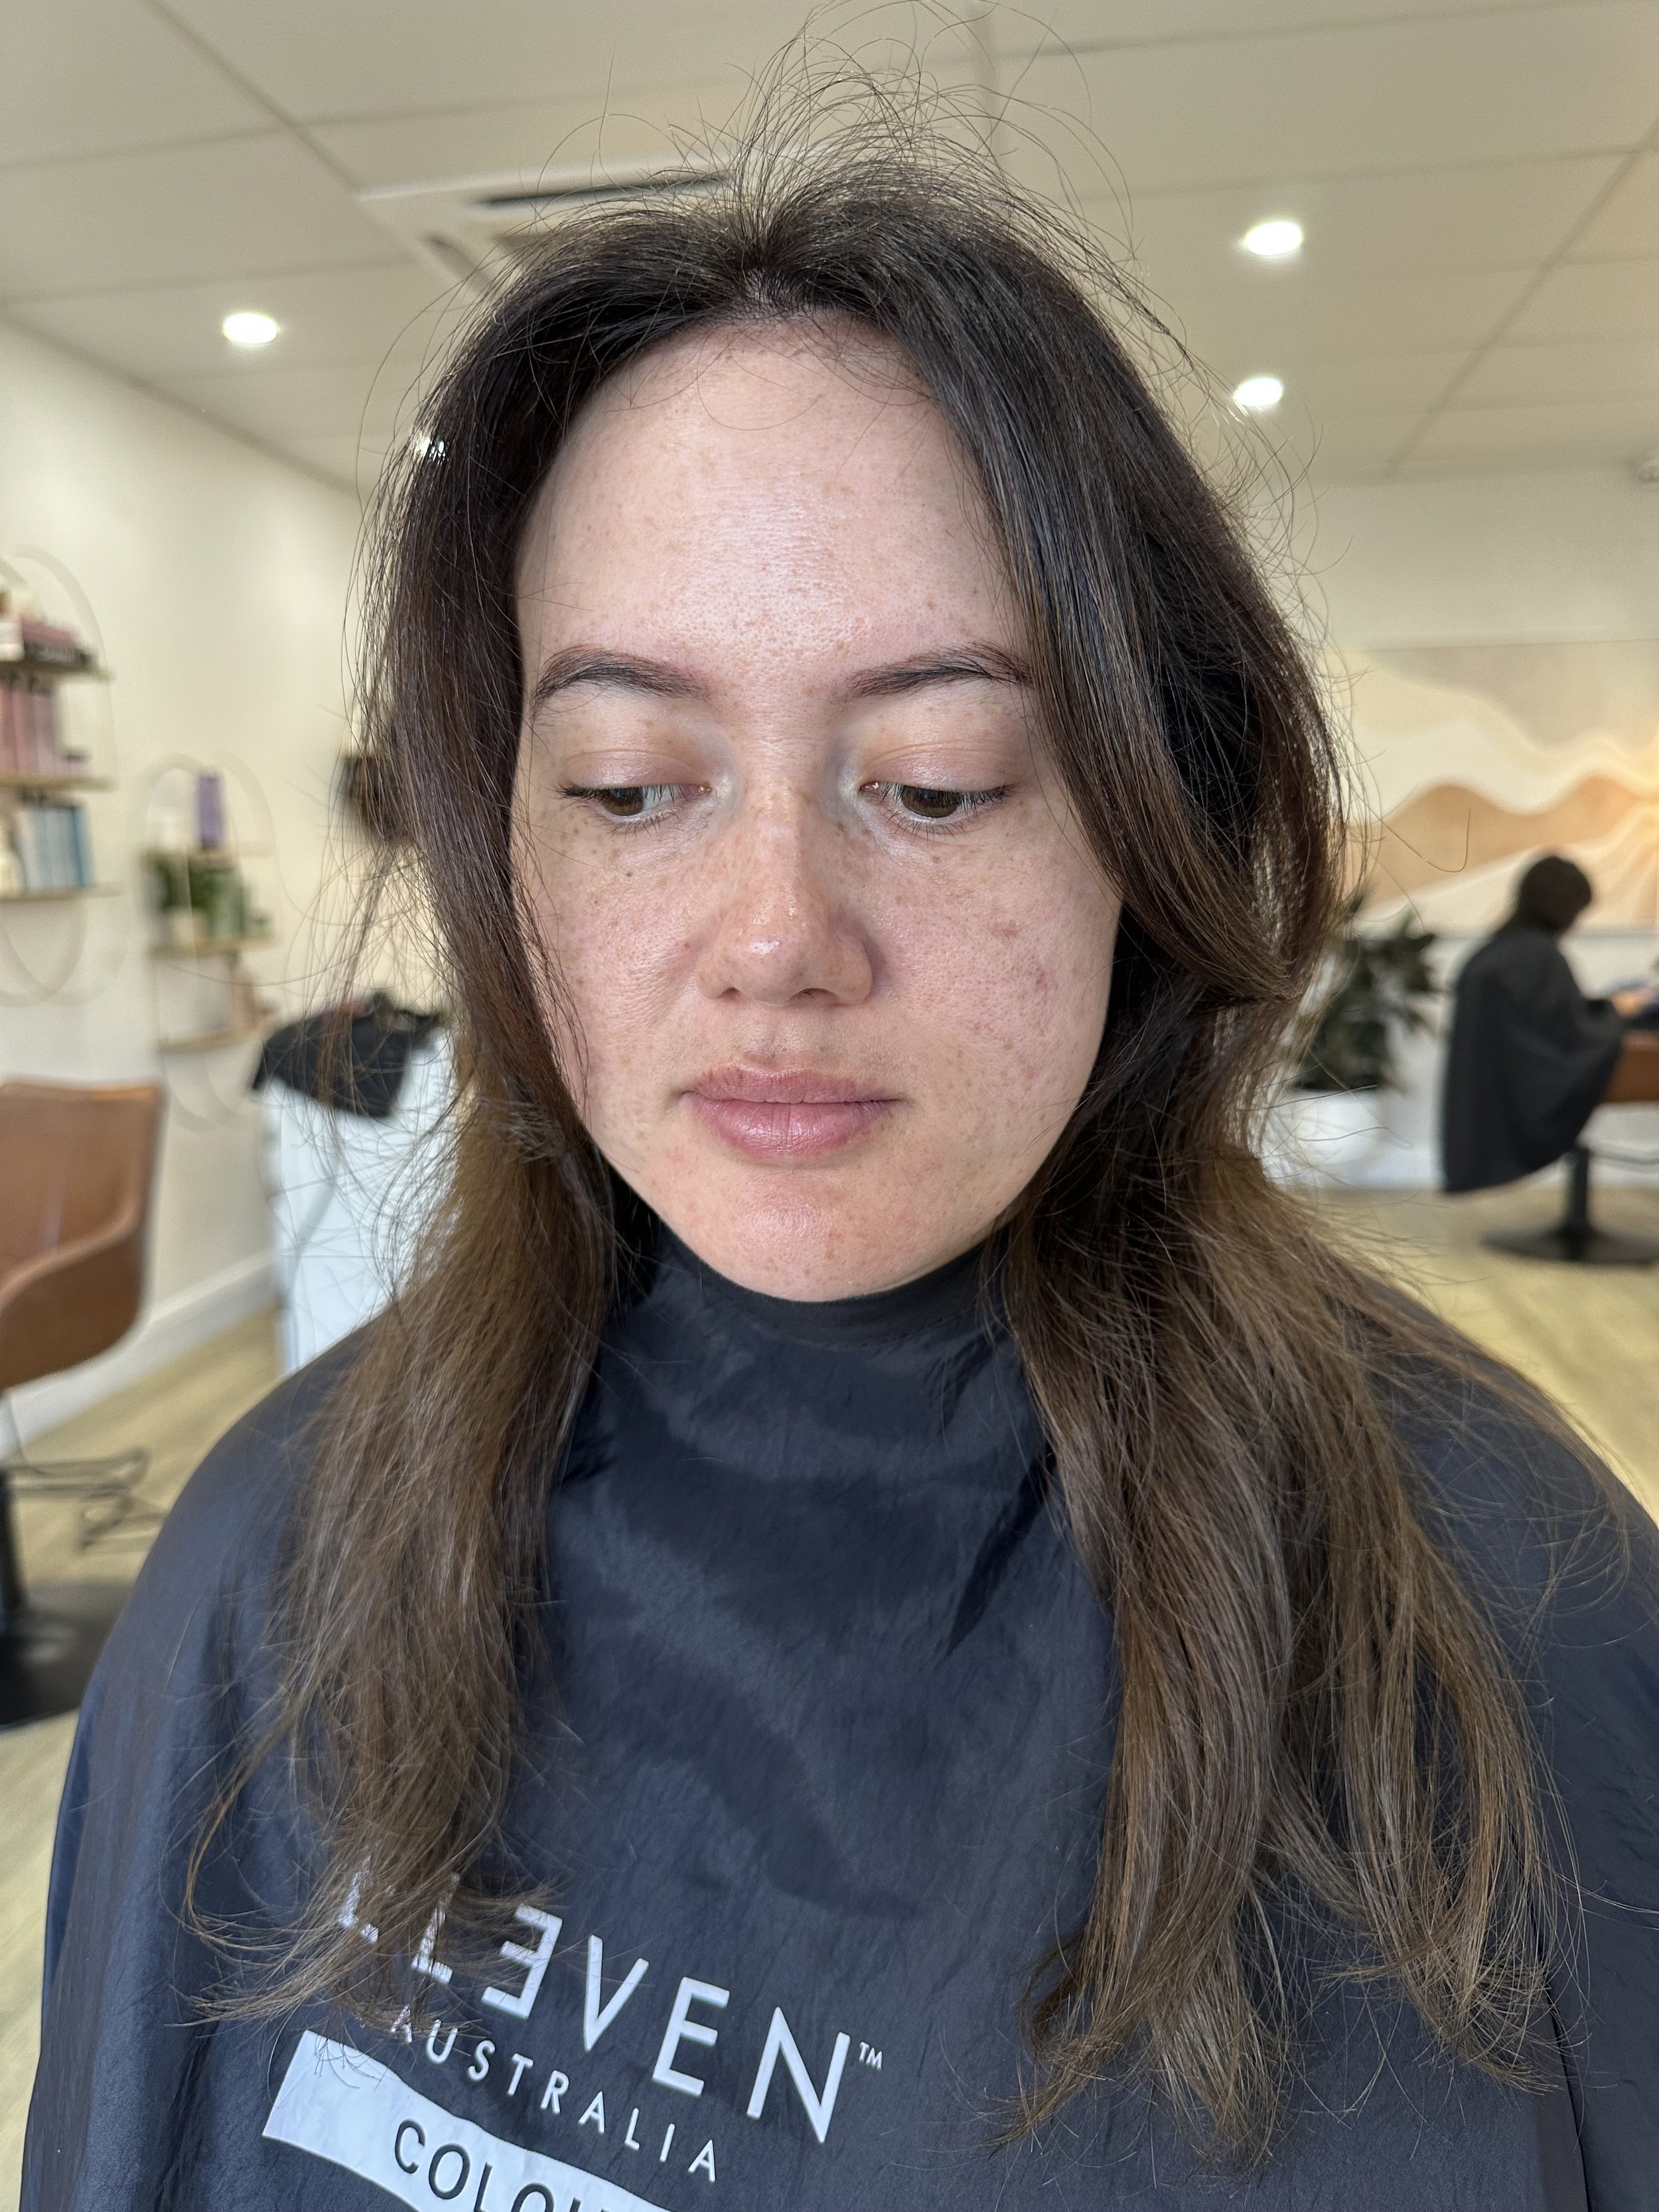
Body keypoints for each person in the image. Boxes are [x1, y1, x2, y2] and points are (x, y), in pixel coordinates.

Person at [23, 113, 1659, 2212]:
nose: (776, 935)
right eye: (625, 787)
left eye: (935, 779)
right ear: (499, 845)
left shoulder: (1505, 1614)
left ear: (1143, 829)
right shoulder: (277, 1557)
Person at [1442, 853, 1656, 1193]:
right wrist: (1619, 1013)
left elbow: (1554, 1020)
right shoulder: (1540, 955)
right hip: (1529, 1088)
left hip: (1491, 1094)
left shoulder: (1493, 951)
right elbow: (1575, 1035)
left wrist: (1606, 1007)